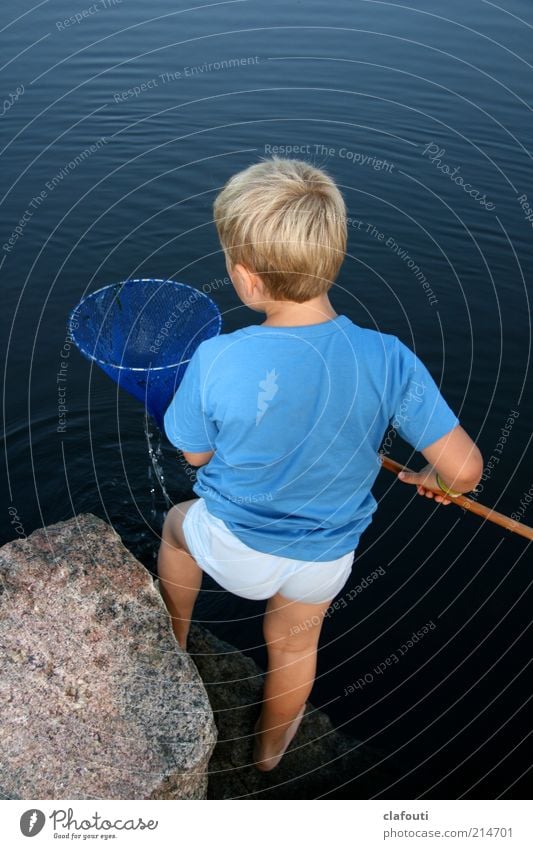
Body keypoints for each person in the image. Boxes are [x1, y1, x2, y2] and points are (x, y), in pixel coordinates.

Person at [157, 157, 483, 771]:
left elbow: (195, 454)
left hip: (235, 544)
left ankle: (173, 640)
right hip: (323, 560)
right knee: (294, 648)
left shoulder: (218, 356)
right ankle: (271, 755)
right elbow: (464, 471)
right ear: (332, 259)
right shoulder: (388, 358)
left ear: (246, 278)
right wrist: (431, 480)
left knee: (178, 527)